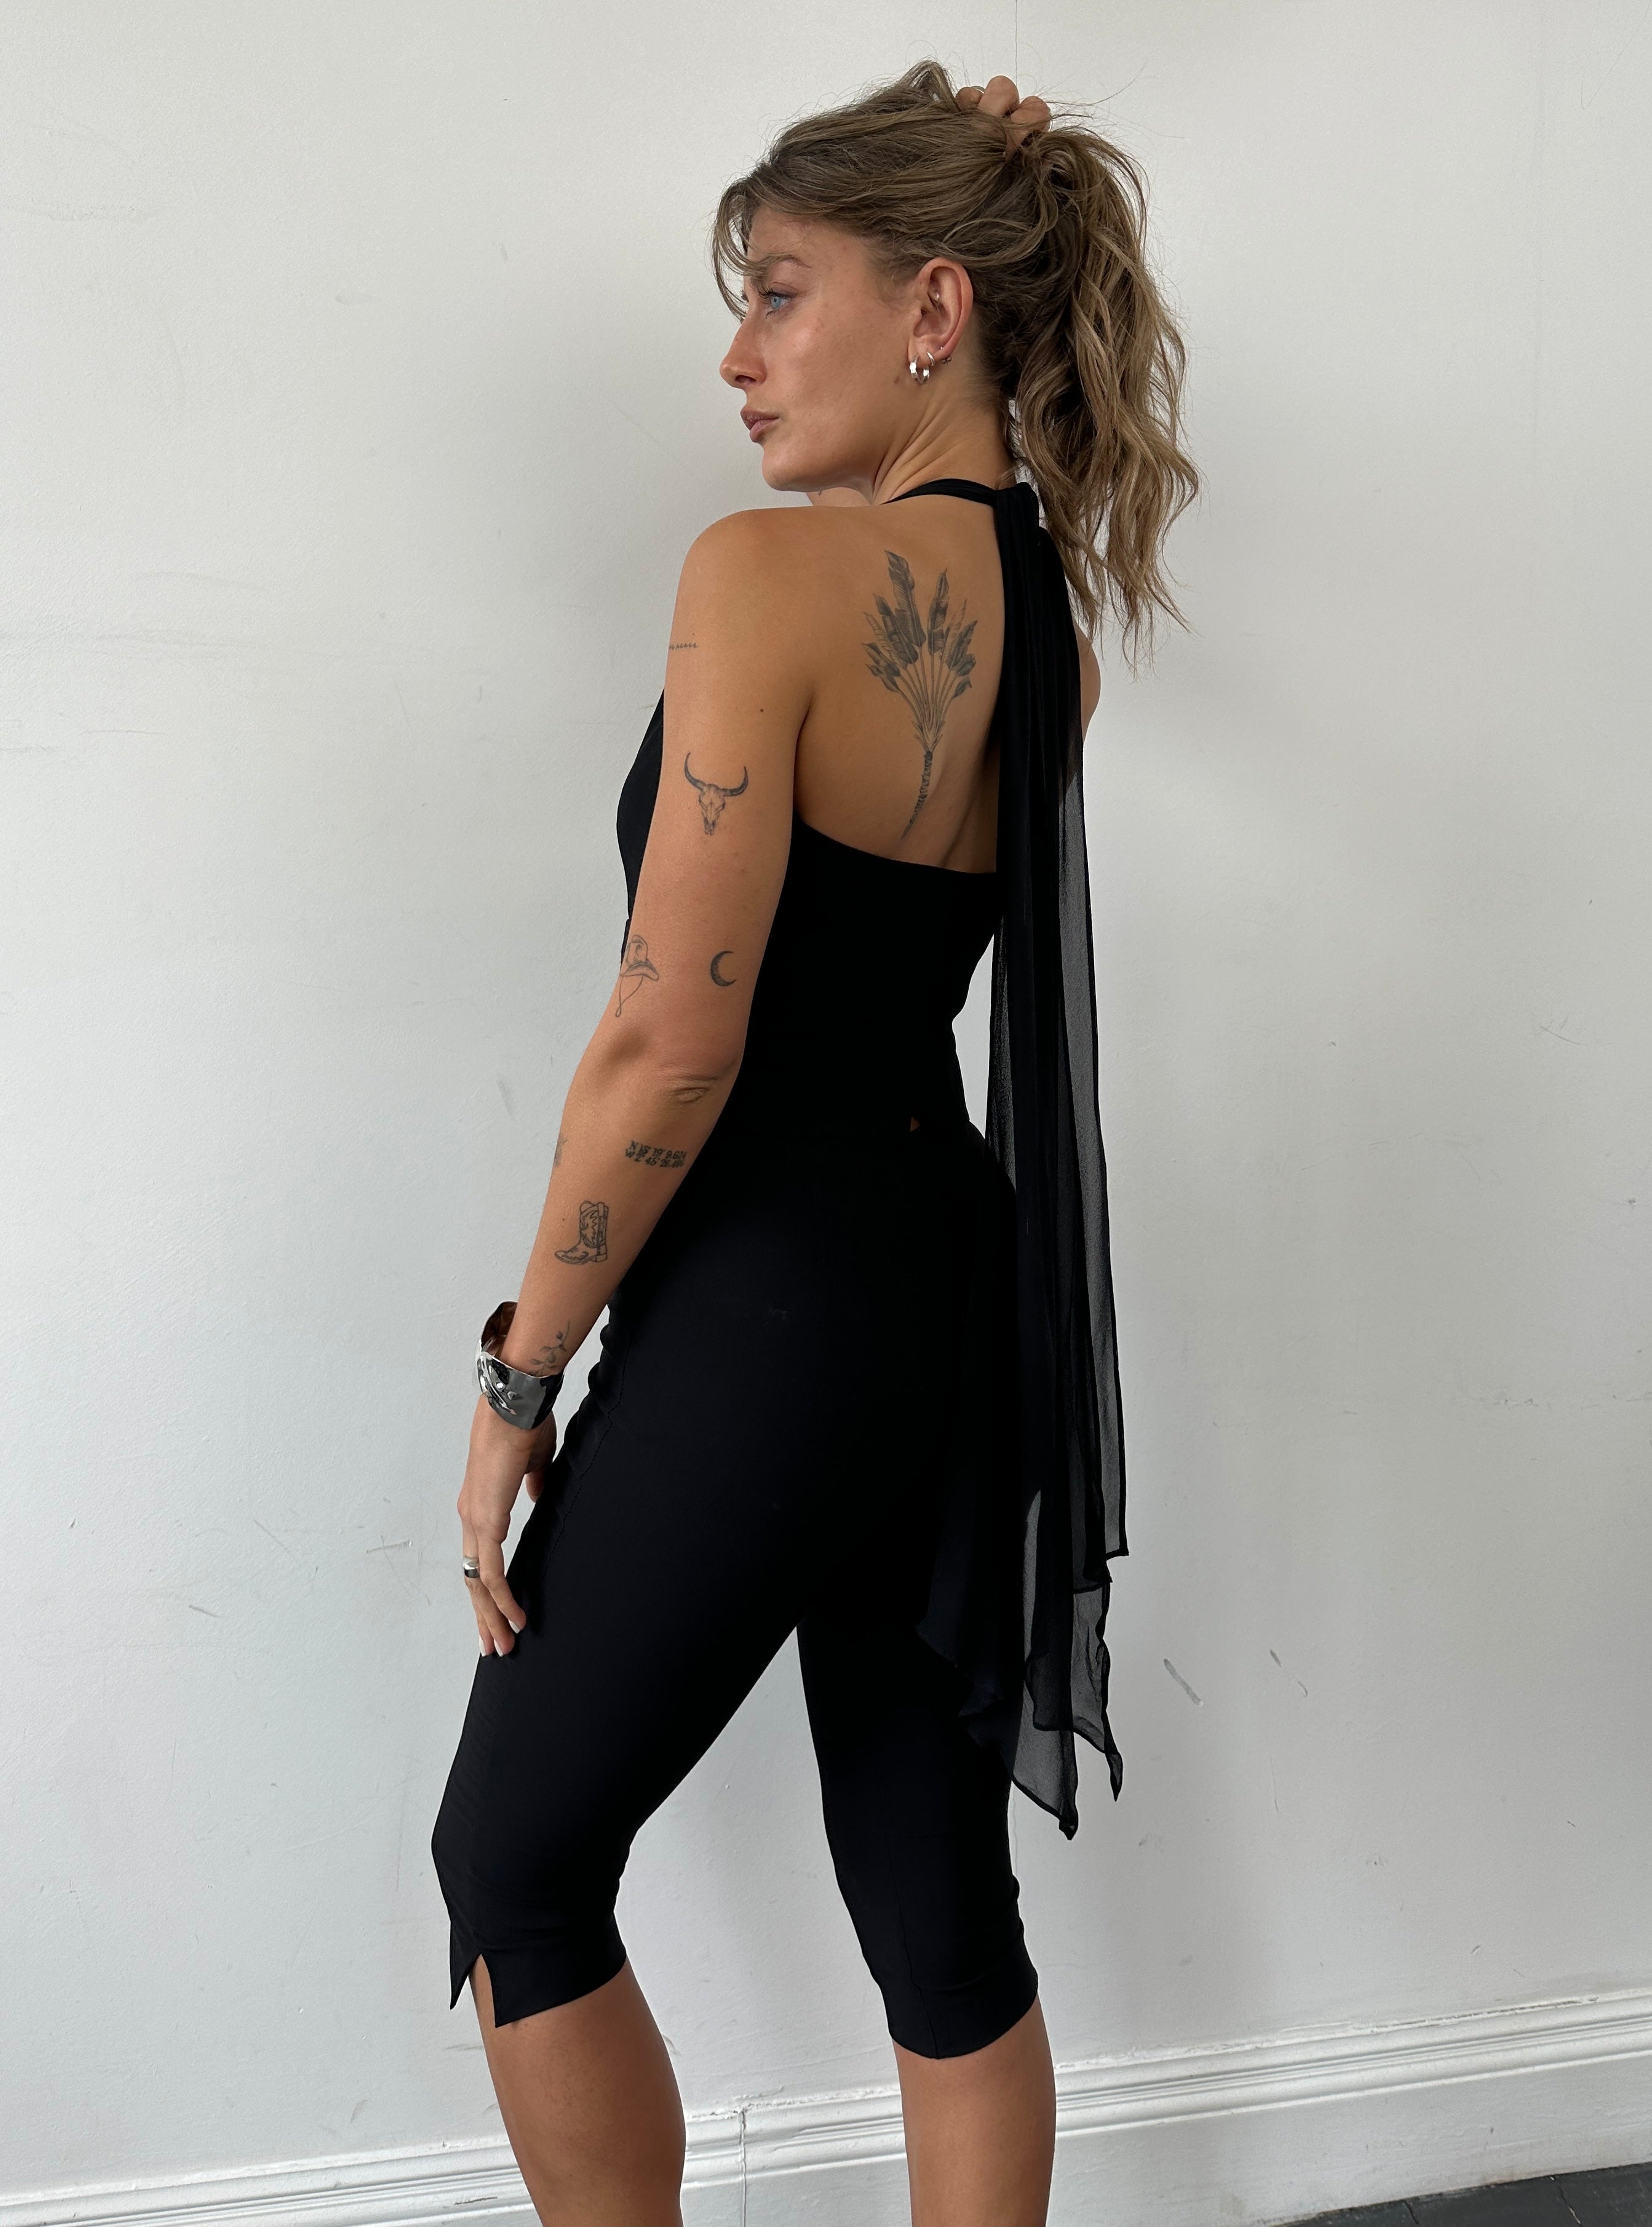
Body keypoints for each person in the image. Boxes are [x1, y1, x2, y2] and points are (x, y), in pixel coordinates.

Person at [429, 60, 1198, 2227]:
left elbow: (669, 1043)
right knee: (933, 1911)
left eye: (778, 292)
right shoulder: (1047, 640)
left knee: (513, 1860)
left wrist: (520, 1370)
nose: (738, 356)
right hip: (949, 1290)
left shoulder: (764, 577)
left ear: (932, 307)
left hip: (773, 1298)